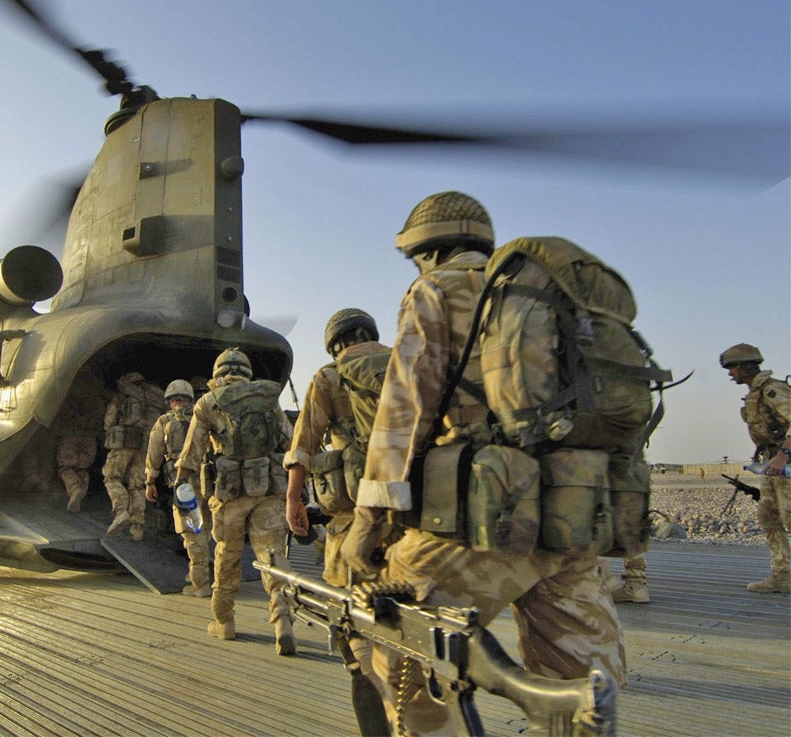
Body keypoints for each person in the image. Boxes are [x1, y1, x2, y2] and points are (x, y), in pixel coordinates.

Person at [342, 191, 626, 735]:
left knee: (395, 649)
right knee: (578, 678)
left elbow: (403, 414)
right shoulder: (554, 296)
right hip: (573, 513)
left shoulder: (437, 288)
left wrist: (366, 527)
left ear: (429, 251)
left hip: (483, 519)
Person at [284, 308, 391, 705]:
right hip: (417, 517)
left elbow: (304, 445)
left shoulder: (330, 376)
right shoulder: (409, 364)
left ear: (333, 344)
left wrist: (294, 499)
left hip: (355, 517)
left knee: (352, 612)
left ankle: (374, 695)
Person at [174, 348, 296, 655]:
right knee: (272, 555)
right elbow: (289, 442)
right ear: (247, 371)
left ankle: (224, 621)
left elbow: (192, 453)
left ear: (217, 373)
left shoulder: (208, 402)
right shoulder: (268, 397)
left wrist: (181, 487)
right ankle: (282, 620)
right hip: (268, 490)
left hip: (229, 495)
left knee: (227, 556)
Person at [720, 343, 791, 593]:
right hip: (772, 466)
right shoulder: (756, 393)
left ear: (746, 366)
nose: (730, 374)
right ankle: (783, 575)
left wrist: (784, 455)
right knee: (769, 517)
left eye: (733, 368)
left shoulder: (772, 390)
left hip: (786, 463)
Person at [145, 379, 212, 597]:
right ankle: (219, 579)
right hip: (210, 481)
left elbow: (154, 454)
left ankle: (200, 583)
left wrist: (150, 482)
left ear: (170, 401)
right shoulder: (205, 417)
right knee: (213, 529)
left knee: (193, 532)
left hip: (184, 484)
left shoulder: (164, 421)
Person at [103, 372, 165, 540]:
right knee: (137, 486)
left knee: (112, 478)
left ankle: (121, 511)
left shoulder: (123, 398)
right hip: (145, 445)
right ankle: (137, 527)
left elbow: (109, 420)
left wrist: (109, 430)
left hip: (124, 441)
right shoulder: (154, 399)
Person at [52, 366, 106, 512]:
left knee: (66, 467)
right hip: (90, 438)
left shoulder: (69, 390)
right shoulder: (98, 396)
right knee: (82, 468)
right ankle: (80, 494)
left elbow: (59, 413)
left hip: (71, 435)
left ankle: (75, 490)